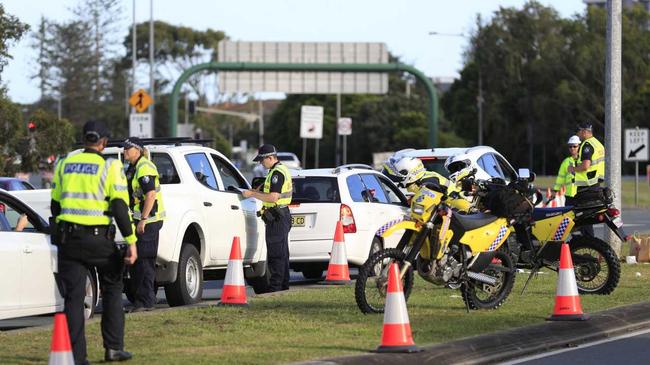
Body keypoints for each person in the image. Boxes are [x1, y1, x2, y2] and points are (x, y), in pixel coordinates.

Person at [51, 121, 138, 364]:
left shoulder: (63, 165)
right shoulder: (110, 167)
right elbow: (120, 208)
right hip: (100, 240)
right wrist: (131, 241)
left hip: (70, 240)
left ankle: (77, 358)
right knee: (112, 287)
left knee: (74, 298)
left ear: (83, 139)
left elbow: (55, 206)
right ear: (104, 142)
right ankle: (113, 348)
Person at [123, 137, 165, 312]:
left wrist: (143, 219)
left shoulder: (144, 167)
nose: (124, 151)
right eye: (124, 148)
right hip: (139, 221)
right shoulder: (133, 167)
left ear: (138, 150)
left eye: (128, 148)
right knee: (138, 262)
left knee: (144, 262)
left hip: (149, 221)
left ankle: (146, 302)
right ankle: (142, 300)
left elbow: (150, 195)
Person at [242, 144, 292, 293]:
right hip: (281, 216)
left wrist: (252, 195)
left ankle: (276, 287)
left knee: (276, 254)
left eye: (262, 160)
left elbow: (273, 197)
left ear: (270, 158)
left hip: (277, 217)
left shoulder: (277, 173)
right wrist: (254, 190)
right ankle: (283, 285)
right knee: (282, 253)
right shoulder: (277, 170)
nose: (260, 163)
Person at [568, 121, 605, 236]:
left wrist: (573, 169)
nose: (578, 134)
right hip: (595, 185)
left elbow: (585, 165)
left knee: (580, 217)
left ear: (584, 131)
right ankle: (585, 240)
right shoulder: (598, 144)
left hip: (586, 186)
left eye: (578, 131)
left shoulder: (587, 145)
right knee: (586, 218)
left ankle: (586, 241)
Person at [551, 135, 580, 206]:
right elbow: (560, 178)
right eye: (570, 146)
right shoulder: (566, 162)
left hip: (581, 195)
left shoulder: (584, 161)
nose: (572, 148)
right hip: (569, 196)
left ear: (579, 146)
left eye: (574, 146)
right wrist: (555, 191)